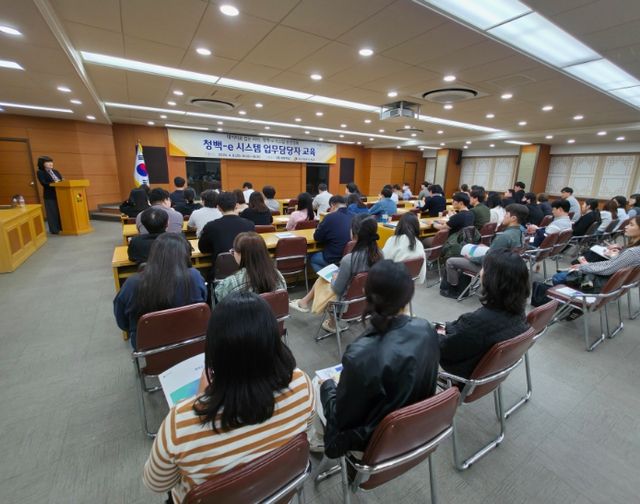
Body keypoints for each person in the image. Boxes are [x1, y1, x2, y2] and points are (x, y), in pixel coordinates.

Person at [143, 292, 314, 504]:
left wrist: (200, 401)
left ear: (214, 351)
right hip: (276, 493)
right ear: (273, 342)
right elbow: (306, 429)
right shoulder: (302, 384)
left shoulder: (181, 423)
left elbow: (156, 483)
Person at [319, 260, 440, 458]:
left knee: (317, 384)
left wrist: (327, 387)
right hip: (416, 431)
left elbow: (341, 418)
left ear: (365, 293)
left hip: (373, 442)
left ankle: (318, 443)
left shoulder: (360, 355)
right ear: (408, 295)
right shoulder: (426, 329)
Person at [439, 249, 530, 379]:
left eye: (484, 268)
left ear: (493, 279)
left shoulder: (476, 321)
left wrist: (434, 331)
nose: (481, 272)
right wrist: (448, 327)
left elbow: (445, 349)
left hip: (462, 371)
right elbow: (465, 334)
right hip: (489, 371)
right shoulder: (519, 313)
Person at [289, 217, 383, 332]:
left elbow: (338, 289)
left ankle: (332, 323)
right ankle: (304, 302)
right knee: (326, 278)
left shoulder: (349, 259)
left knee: (323, 279)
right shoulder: (380, 254)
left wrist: (334, 278)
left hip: (345, 305)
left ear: (354, 234)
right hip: (366, 300)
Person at [114, 233, 207, 348]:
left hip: (149, 348)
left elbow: (122, 323)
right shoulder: (195, 276)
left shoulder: (132, 283)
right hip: (191, 342)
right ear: (185, 255)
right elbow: (203, 301)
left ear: (153, 254)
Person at [442, 204, 527, 298]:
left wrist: (471, 258)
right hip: (506, 267)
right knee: (470, 252)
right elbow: (501, 252)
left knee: (450, 261)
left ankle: (453, 290)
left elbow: (489, 259)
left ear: (513, 218)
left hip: (492, 268)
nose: (503, 216)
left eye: (506, 214)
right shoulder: (520, 232)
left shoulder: (504, 237)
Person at [553, 216, 640, 288]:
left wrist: (584, 266)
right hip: (615, 283)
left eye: (631, 225)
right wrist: (587, 265)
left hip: (604, 283)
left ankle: (567, 300)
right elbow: (611, 264)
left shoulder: (632, 252)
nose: (626, 226)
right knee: (588, 261)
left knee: (558, 277)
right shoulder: (636, 250)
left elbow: (608, 269)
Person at [215, 232, 286, 301]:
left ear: (241, 255)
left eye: (233, 251)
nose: (233, 254)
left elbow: (220, 298)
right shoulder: (278, 275)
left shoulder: (230, 282)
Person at [198, 191, 255, 267]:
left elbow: (203, 249)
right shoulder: (250, 224)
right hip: (246, 267)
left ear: (218, 207)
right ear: (236, 206)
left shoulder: (211, 226)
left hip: (221, 269)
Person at [310, 195, 353, 272]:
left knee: (313, 258)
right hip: (351, 258)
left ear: (332, 205)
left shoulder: (330, 217)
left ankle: (328, 278)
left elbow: (317, 237)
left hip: (334, 257)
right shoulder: (354, 216)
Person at [382, 212, 426, 283]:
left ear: (399, 225)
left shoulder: (393, 240)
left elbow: (383, 262)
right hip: (410, 283)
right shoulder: (419, 243)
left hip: (392, 282)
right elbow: (422, 273)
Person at [36, 156, 63, 234]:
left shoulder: (56, 171)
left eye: (51, 162)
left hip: (61, 195)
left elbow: (61, 180)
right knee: (52, 213)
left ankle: (62, 227)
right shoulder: (40, 172)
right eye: (48, 162)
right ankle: (54, 230)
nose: (51, 163)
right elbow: (44, 183)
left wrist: (61, 182)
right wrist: (56, 183)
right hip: (50, 196)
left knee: (61, 212)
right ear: (42, 164)